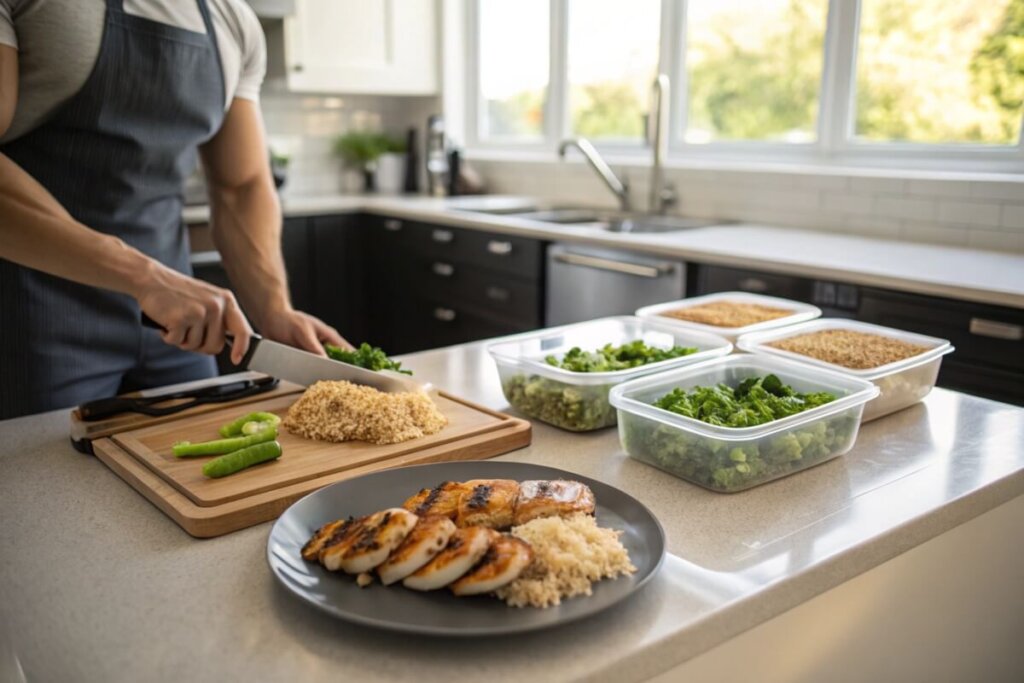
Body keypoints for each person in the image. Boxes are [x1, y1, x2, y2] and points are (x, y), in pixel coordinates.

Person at [0, 0, 349, 420]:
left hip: (179, 330)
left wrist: (273, 309)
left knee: (201, 468)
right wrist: (144, 278)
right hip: (28, 319)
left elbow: (241, 186)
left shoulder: (233, 21)